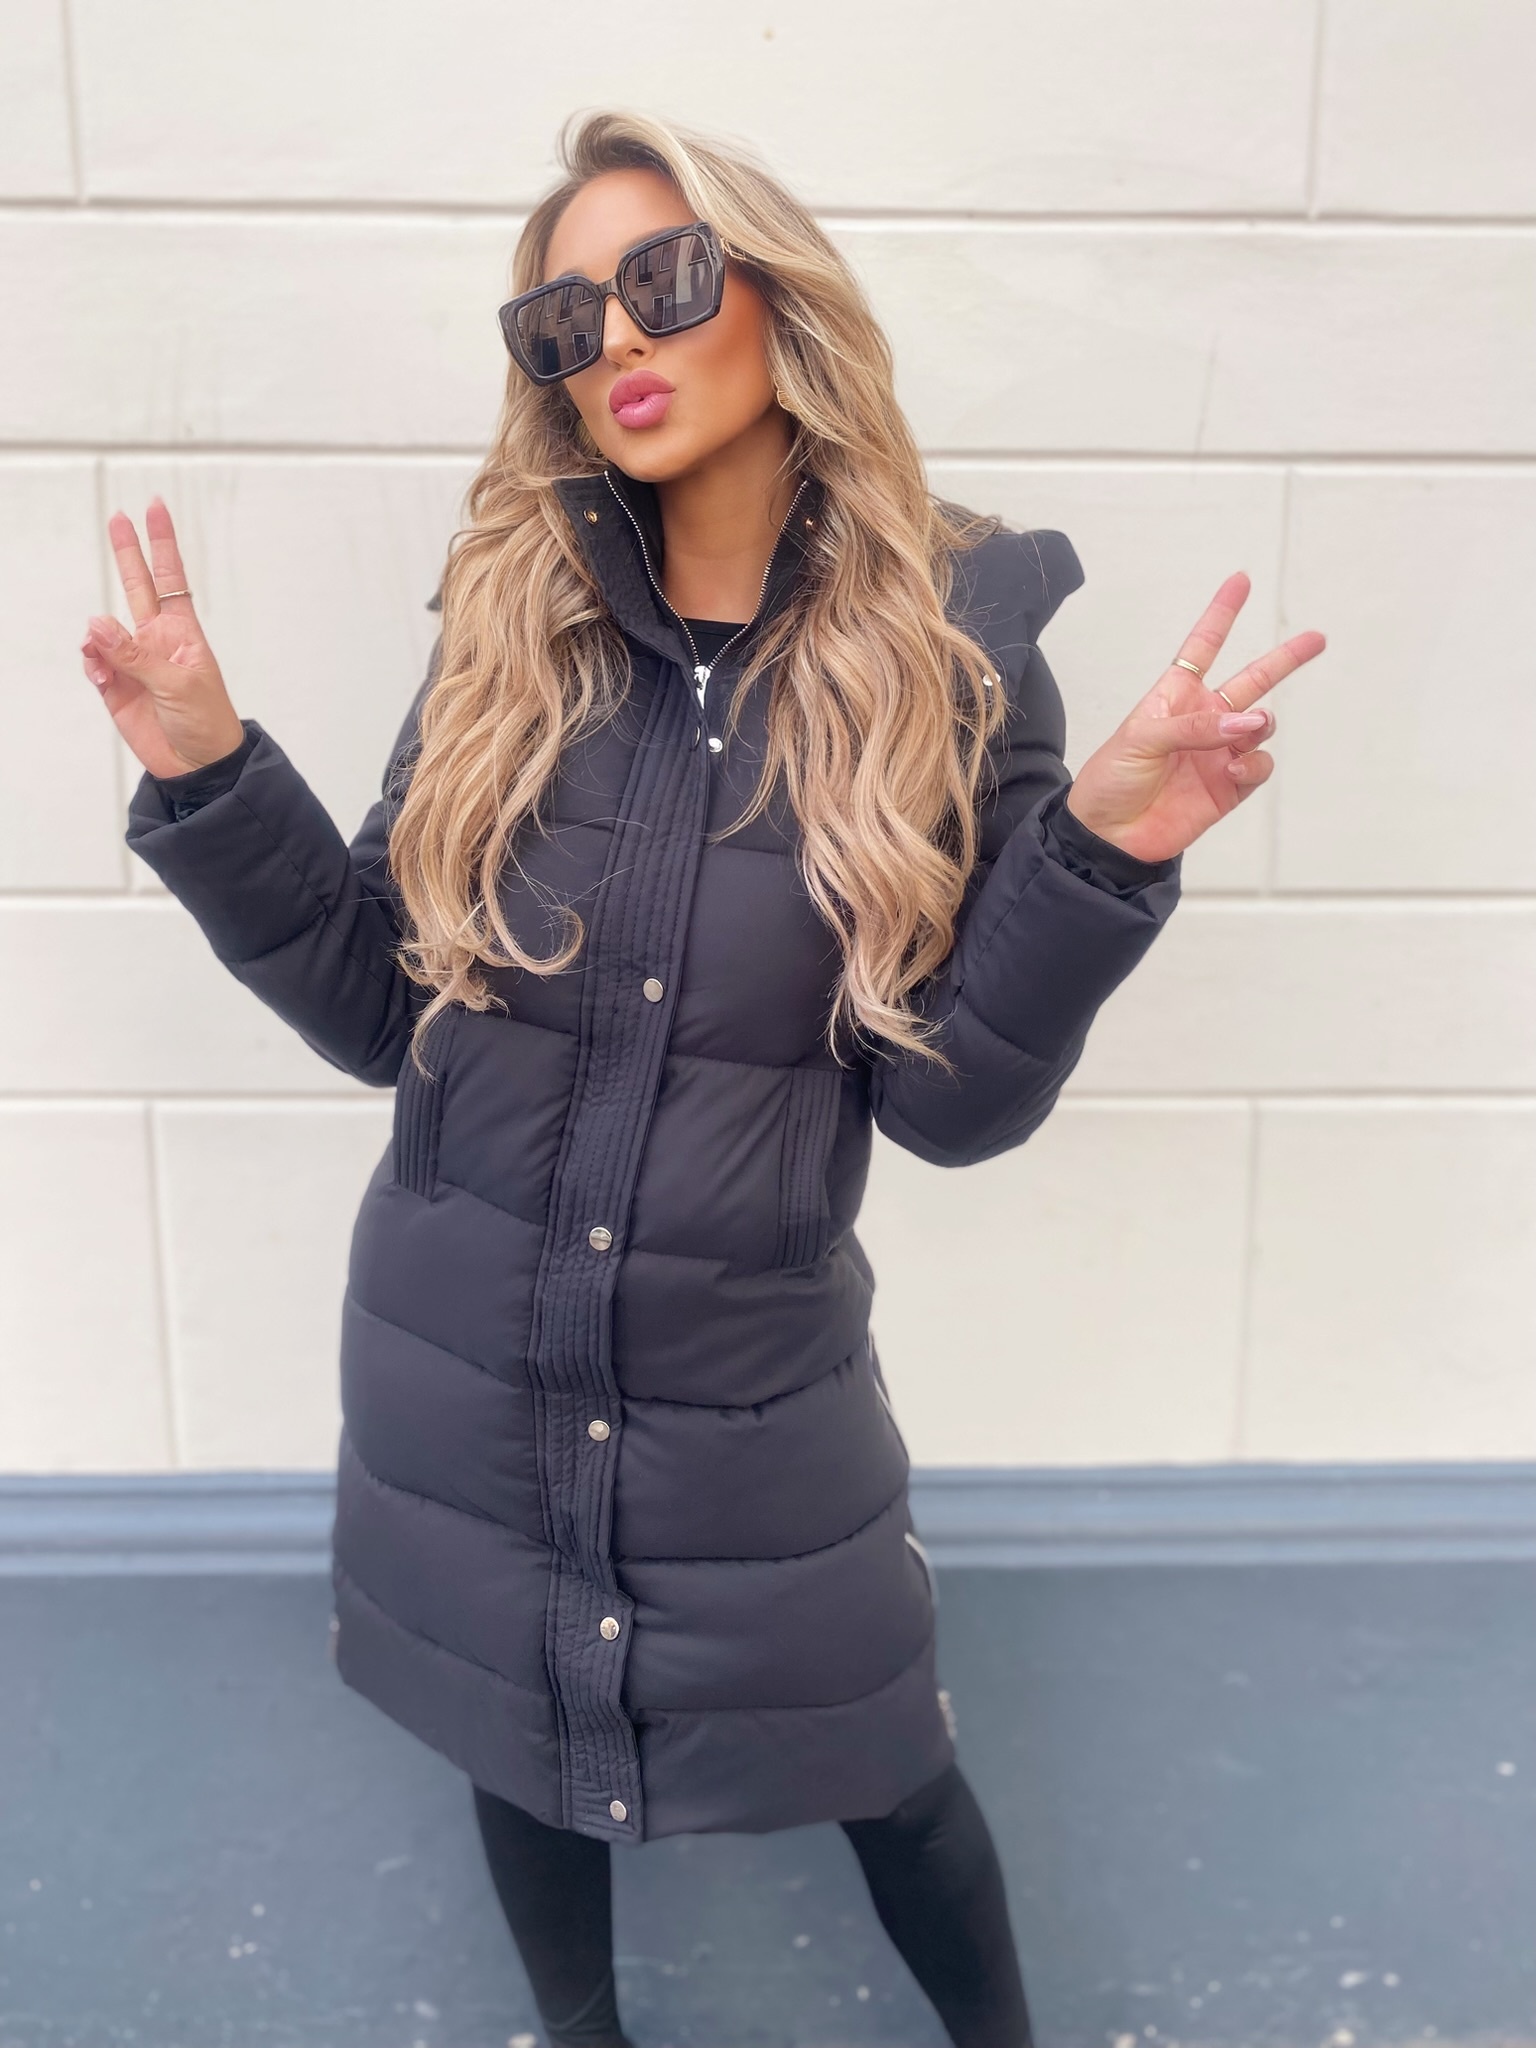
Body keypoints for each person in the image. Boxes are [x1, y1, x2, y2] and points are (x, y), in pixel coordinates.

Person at [78, 110, 1324, 2048]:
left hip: (750, 1394)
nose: (616, 343)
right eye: (559, 321)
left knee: (889, 1763)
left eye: (661, 279)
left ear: (775, 288)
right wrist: (208, 769)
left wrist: (1100, 855)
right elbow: (382, 1010)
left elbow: (953, 1104)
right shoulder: (515, 628)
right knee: (509, 1728)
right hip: (460, 1358)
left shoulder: (955, 647)